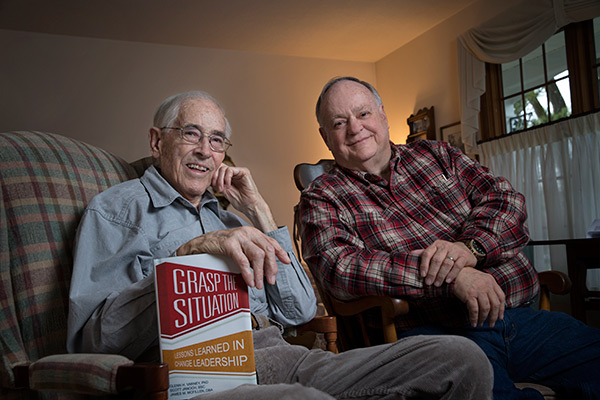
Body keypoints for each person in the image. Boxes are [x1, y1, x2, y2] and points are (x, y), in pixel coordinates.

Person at [66, 90, 493, 399]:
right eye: (191, 134)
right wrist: (187, 254)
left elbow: (301, 310)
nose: (205, 151)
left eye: (217, 140)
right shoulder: (118, 210)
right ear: (158, 141)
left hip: (285, 358)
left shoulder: (231, 219)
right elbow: (91, 342)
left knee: (462, 358)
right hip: (201, 376)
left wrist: (259, 211)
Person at [298, 76, 600, 400]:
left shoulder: (438, 154)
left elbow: (506, 201)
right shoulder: (321, 197)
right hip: (435, 338)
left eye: (363, 114)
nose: (355, 128)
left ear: (382, 115)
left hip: (519, 317)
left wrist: (468, 249)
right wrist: (451, 277)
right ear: (325, 137)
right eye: (339, 122)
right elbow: (341, 269)